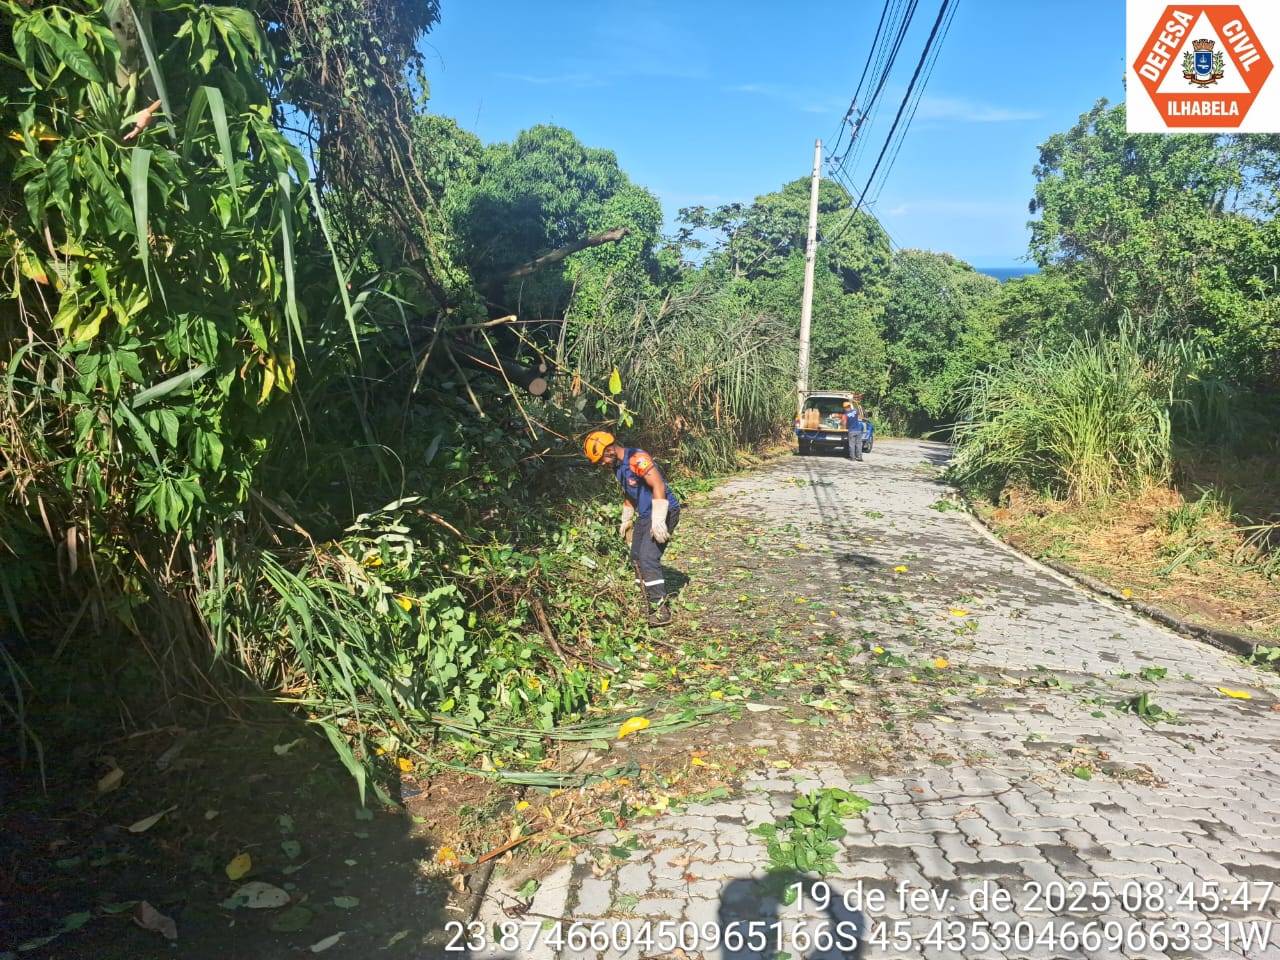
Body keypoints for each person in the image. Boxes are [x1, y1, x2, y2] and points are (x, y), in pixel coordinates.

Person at [582, 431, 681, 626]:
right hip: (645, 514)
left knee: (648, 557)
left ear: (609, 450)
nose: (601, 464)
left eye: (601, 459)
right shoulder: (617, 466)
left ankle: (661, 609)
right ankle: (644, 600)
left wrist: (659, 519)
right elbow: (630, 491)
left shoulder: (638, 459)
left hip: (664, 510)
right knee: (636, 556)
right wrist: (627, 516)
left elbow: (658, 485)